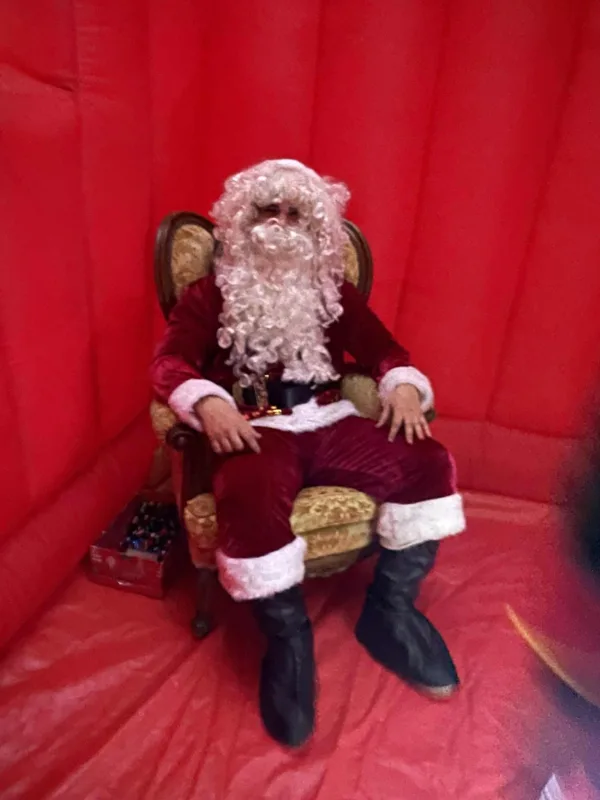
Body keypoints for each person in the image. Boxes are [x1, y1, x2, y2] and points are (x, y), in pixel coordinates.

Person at [151, 159, 466, 747]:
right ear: (243, 221)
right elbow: (169, 363)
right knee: (248, 495)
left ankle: (390, 612)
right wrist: (208, 402)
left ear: (313, 227)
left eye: (295, 213)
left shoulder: (331, 294)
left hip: (328, 418)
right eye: (267, 210)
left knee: (428, 462)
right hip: (254, 426)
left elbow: (384, 349)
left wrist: (401, 384)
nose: (280, 223)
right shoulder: (210, 293)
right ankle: (288, 640)